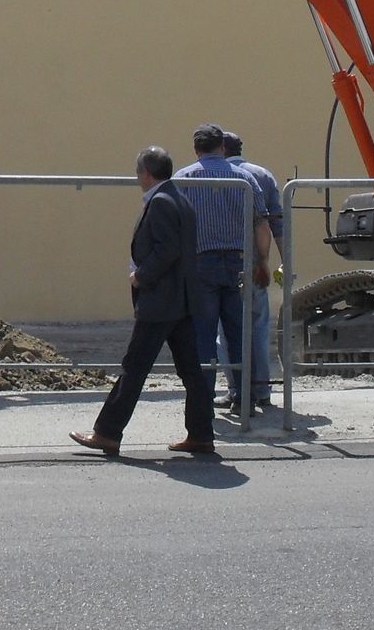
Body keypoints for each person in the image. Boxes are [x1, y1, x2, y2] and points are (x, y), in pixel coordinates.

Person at [70, 146, 216, 456]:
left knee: (133, 368)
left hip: (161, 302)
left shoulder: (162, 202)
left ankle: (107, 433)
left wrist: (141, 276)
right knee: (191, 371)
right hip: (182, 301)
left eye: (138, 172)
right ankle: (202, 434)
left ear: (146, 173)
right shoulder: (179, 198)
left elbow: (167, 250)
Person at [173, 123, 269, 414]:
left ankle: (203, 399)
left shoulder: (184, 178)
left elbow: (173, 225)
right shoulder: (244, 178)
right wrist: (261, 262)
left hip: (200, 264)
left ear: (196, 149)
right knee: (239, 333)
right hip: (237, 262)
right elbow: (262, 224)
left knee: (203, 334)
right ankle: (245, 399)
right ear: (222, 147)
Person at [221, 131, 281, 410]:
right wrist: (281, 260)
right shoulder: (263, 175)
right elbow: (276, 223)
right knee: (258, 326)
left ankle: (237, 390)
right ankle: (262, 390)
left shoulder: (214, 174)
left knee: (226, 330)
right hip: (257, 263)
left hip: (224, 264)